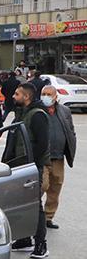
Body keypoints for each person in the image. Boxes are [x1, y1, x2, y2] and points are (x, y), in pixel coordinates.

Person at [10, 83, 50, 258]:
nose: (13, 96)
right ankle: (24, 239)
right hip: (19, 166)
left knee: (34, 204)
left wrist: (30, 165)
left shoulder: (38, 115)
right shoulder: (21, 113)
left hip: (31, 168)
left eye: (17, 94)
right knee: (20, 202)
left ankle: (41, 243)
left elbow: (42, 144)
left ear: (26, 97)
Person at [40, 85, 77, 230]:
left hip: (58, 157)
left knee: (55, 188)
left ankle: (48, 217)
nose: (46, 97)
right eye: (43, 94)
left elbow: (71, 130)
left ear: (56, 96)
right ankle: (36, 215)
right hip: (42, 157)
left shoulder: (64, 111)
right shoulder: (37, 110)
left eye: (49, 94)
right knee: (42, 185)